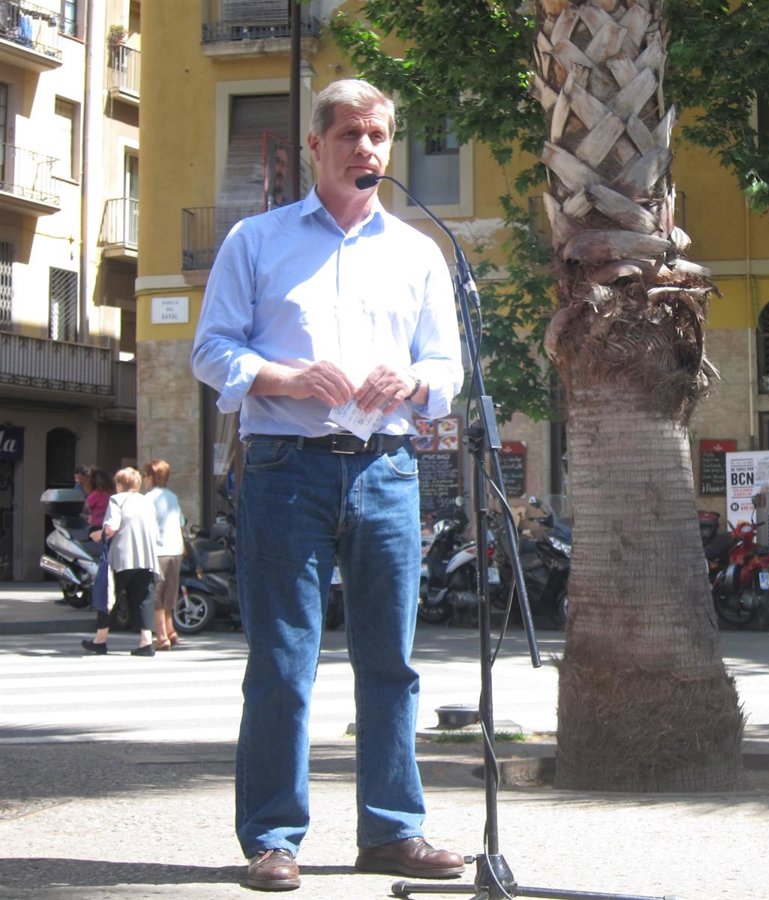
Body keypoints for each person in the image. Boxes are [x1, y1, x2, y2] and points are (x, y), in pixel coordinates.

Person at [191, 78, 465, 892]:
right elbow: (211, 350)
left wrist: (413, 382)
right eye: (349, 134)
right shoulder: (256, 241)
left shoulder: (418, 251)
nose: (365, 148)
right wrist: (284, 377)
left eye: (377, 135)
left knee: (392, 662)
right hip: (285, 468)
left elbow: (448, 369)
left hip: (387, 468)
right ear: (315, 146)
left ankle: (392, 831)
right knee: (283, 662)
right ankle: (274, 838)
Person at [81, 467, 161, 657]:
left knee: (108, 595)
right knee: (143, 598)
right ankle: (146, 642)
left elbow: (111, 528)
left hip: (122, 557)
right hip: (146, 557)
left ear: (120, 484)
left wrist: (98, 534)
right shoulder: (147, 502)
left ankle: (100, 640)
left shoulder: (117, 500)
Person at [143, 459, 185, 650]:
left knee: (156, 594)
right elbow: (181, 521)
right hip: (176, 549)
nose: (144, 479)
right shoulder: (173, 497)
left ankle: (161, 636)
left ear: (152, 477)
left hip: (158, 550)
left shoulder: (148, 498)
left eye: (145, 475)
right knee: (170, 592)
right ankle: (170, 630)